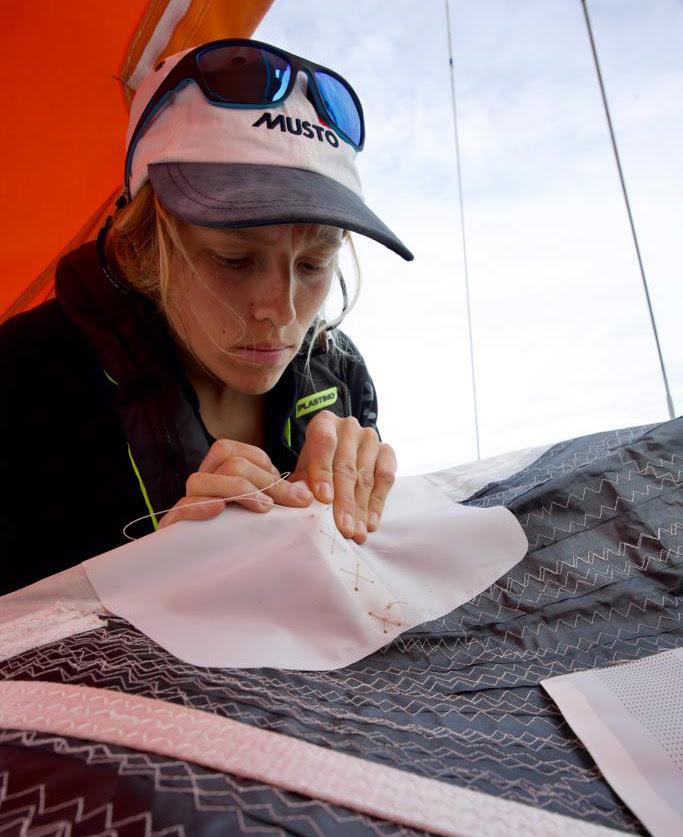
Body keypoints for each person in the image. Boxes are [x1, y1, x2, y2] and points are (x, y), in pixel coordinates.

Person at [0, 38, 413, 595]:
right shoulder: (24, 382)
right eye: (235, 260)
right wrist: (153, 585)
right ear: (143, 243)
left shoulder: (340, 376)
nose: (282, 312)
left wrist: (335, 518)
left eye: (315, 263)